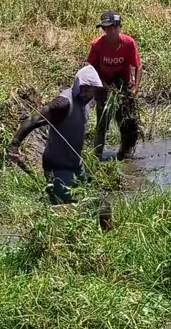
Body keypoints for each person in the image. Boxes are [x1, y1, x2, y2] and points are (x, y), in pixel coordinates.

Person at [8, 65, 102, 204]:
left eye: (91, 90)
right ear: (77, 85)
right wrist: (14, 145)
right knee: (64, 205)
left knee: (86, 200)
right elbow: (34, 120)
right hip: (58, 167)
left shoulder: (86, 103)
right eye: (84, 89)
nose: (87, 94)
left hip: (76, 164)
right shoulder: (63, 103)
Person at [87, 11, 142, 161]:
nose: (110, 32)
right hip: (103, 86)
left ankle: (125, 153)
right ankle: (97, 156)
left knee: (126, 122)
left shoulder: (128, 43)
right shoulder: (97, 45)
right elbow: (92, 67)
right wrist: (102, 85)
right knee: (102, 123)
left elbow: (137, 66)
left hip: (122, 87)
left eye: (113, 28)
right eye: (106, 29)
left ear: (119, 27)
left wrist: (135, 88)